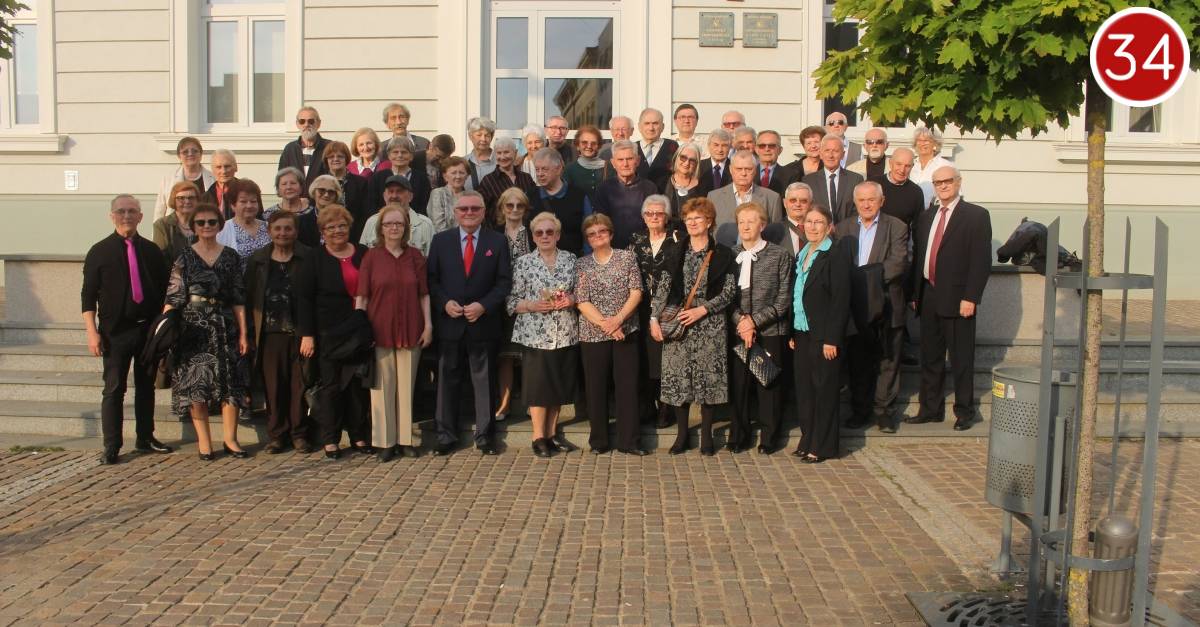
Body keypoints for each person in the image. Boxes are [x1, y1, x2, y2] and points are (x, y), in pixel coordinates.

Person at [82, 195, 172, 465]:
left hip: (147, 331)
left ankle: (145, 437)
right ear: (112, 216)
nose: (127, 216)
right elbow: (88, 295)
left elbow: (165, 290)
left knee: (146, 387)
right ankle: (112, 445)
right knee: (113, 389)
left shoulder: (152, 251)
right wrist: (91, 332)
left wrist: (163, 326)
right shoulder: (99, 251)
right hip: (115, 333)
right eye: (121, 211)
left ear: (140, 217)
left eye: (132, 211)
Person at [905, 165, 991, 431]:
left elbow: (980, 261)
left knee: (961, 358)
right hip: (928, 294)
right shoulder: (926, 217)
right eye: (937, 182)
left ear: (958, 182)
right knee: (930, 357)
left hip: (958, 298)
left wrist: (971, 297)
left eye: (947, 181)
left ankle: (965, 411)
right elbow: (920, 256)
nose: (942, 186)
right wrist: (915, 293)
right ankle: (930, 409)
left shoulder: (976, 216)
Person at [426, 191, 512, 455]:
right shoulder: (440, 241)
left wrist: (483, 305)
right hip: (450, 323)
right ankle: (445, 436)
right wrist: (444, 303)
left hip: (483, 323)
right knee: (447, 381)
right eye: (463, 209)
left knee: (484, 382)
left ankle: (485, 436)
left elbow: (504, 282)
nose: (469, 213)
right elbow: (431, 280)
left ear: (484, 212)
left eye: (475, 208)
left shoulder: (497, 241)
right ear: (455, 213)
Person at [164, 202, 250, 461]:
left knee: (230, 384)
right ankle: (204, 442)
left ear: (219, 225)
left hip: (225, 325)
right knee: (196, 385)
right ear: (193, 226)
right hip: (192, 327)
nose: (206, 226)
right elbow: (173, 297)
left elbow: (239, 298)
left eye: (212, 221)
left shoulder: (231, 256)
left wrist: (244, 333)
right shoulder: (184, 257)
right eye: (200, 222)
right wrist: (164, 330)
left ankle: (231, 439)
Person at [652, 198, 736, 456]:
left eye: (698, 218)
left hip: (710, 325)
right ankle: (682, 436)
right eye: (688, 218)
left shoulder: (723, 254)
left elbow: (729, 292)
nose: (692, 222)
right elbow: (662, 288)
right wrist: (653, 318)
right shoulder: (674, 251)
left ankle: (707, 437)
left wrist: (703, 309)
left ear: (709, 222)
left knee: (708, 380)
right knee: (679, 381)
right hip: (679, 323)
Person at [356, 204, 433, 462]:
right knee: (382, 388)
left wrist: (428, 326)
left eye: (399, 223)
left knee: (406, 388)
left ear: (406, 227)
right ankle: (384, 442)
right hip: (379, 329)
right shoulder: (371, 257)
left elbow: (424, 294)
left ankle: (405, 440)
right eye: (389, 224)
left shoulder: (415, 256)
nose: (394, 228)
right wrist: (361, 330)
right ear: (381, 228)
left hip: (411, 328)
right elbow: (362, 297)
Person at [295, 205, 373, 459]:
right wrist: (307, 334)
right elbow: (304, 299)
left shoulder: (364, 253)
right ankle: (331, 439)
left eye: (342, 225)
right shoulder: (314, 258)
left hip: (359, 329)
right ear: (322, 231)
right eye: (331, 227)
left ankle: (359, 435)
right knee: (331, 387)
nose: (337, 231)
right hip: (328, 332)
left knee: (357, 386)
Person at [835, 181, 909, 433]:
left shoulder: (897, 226)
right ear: (855, 202)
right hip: (855, 307)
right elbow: (840, 263)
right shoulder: (843, 228)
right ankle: (860, 410)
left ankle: (884, 412)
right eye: (862, 200)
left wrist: (861, 280)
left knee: (888, 360)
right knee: (858, 361)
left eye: (871, 199)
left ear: (881, 201)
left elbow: (897, 263)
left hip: (888, 304)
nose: (866, 204)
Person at [507, 211, 578, 457]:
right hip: (535, 334)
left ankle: (551, 434)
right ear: (533, 236)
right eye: (539, 232)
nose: (545, 236)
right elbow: (511, 300)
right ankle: (538, 437)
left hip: (565, 332)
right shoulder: (523, 263)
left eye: (550, 232)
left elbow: (580, 292)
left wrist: (571, 299)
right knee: (538, 387)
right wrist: (531, 305)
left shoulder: (571, 259)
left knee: (558, 385)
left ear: (558, 235)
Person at [576, 213, 647, 455]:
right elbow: (582, 301)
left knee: (628, 387)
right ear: (587, 239)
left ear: (611, 233)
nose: (597, 236)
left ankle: (630, 441)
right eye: (592, 234)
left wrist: (618, 320)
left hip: (625, 330)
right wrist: (607, 325)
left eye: (602, 231)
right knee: (596, 388)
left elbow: (636, 292)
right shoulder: (582, 264)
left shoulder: (627, 257)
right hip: (593, 334)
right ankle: (599, 441)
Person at [244, 211, 313, 454]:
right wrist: (249, 334)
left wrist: (310, 333)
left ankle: (299, 434)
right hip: (269, 334)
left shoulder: (308, 257)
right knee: (273, 387)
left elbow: (314, 297)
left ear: (296, 231)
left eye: (288, 228)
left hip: (300, 332)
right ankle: (276, 435)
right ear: (269, 231)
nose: (283, 233)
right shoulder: (258, 260)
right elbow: (249, 297)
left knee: (299, 386)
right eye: (278, 228)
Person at [728, 202, 793, 454]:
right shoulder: (730, 255)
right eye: (741, 222)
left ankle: (769, 437)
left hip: (771, 330)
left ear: (762, 225)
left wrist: (754, 322)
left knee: (768, 386)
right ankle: (739, 435)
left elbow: (783, 299)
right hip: (738, 331)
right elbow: (726, 297)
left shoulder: (779, 255)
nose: (745, 226)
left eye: (751, 221)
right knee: (739, 385)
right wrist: (741, 321)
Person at [790, 203, 851, 463]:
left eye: (818, 222)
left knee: (824, 391)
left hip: (824, 335)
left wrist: (832, 339)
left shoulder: (835, 254)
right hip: (802, 332)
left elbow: (840, 300)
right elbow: (796, 294)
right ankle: (807, 439)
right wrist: (793, 331)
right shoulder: (803, 253)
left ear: (829, 227)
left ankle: (822, 446)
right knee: (805, 391)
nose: (813, 227)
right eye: (809, 222)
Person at [629, 195, 685, 429]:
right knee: (645, 358)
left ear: (667, 216)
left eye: (659, 213)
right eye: (649, 213)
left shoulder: (678, 239)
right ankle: (647, 406)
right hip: (641, 307)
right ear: (643, 217)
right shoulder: (635, 240)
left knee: (665, 359)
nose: (654, 217)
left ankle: (666, 407)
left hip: (669, 308)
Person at [493, 187, 534, 425]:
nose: (515, 209)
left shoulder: (534, 232)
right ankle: (505, 403)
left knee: (529, 355)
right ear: (502, 208)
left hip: (529, 301)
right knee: (505, 356)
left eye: (520, 205)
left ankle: (530, 401)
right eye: (510, 205)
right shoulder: (493, 234)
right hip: (501, 301)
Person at [593, 140, 657, 249]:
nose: (625, 164)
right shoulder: (604, 189)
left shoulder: (649, 188)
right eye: (620, 160)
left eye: (629, 159)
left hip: (643, 248)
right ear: (613, 163)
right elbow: (601, 224)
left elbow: (654, 222)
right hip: (612, 249)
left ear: (637, 161)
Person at [708, 151, 783, 244]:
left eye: (748, 169)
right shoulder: (714, 197)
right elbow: (709, 233)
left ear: (755, 170)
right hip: (724, 251)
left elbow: (776, 235)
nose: (743, 173)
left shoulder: (772, 198)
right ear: (730, 170)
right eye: (739, 169)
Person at [531, 148, 591, 256]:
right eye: (537, 169)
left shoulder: (578, 196)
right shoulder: (530, 196)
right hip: (537, 264)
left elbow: (589, 230)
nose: (540, 174)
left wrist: (587, 260)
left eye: (544, 169)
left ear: (558, 169)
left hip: (574, 260)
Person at [359, 175, 434, 256]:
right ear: (384, 196)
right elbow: (363, 257)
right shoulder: (371, 222)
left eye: (399, 191)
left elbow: (432, 260)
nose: (394, 196)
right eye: (390, 191)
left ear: (410, 196)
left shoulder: (426, 225)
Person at [802, 135, 863, 224]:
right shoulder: (808, 181)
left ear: (842, 155)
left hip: (848, 230)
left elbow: (858, 210)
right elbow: (807, 210)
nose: (830, 155)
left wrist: (844, 228)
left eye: (835, 151)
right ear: (821, 154)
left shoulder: (855, 180)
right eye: (827, 151)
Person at [368, 136, 431, 217]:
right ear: (389, 156)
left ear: (411, 156)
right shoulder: (377, 178)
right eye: (395, 152)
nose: (400, 155)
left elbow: (424, 205)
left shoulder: (422, 178)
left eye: (404, 152)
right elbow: (372, 206)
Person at [154, 136, 214, 221]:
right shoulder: (168, 180)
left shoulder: (213, 178)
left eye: (195, 151)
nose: (190, 154)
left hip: (204, 225)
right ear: (179, 156)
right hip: (175, 227)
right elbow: (160, 210)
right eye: (185, 152)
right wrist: (158, 229)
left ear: (201, 154)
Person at [216, 178, 270, 269]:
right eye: (243, 201)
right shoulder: (222, 230)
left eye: (253, 201)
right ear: (233, 205)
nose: (249, 205)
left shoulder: (268, 227)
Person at [476, 138, 537, 217]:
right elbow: (481, 211)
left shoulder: (526, 178)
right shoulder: (488, 181)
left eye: (506, 152)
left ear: (515, 153)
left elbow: (534, 204)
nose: (502, 157)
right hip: (499, 225)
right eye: (499, 153)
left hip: (525, 224)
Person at [323, 140, 370, 241]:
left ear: (346, 158)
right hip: (326, 235)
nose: (335, 159)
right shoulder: (320, 183)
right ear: (326, 160)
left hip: (354, 235)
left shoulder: (360, 183)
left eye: (340, 156)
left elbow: (365, 213)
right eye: (331, 157)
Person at [277, 106, 330, 188]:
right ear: (297, 124)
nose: (306, 124)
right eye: (302, 121)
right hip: (296, 196)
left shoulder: (329, 147)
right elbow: (281, 179)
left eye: (311, 121)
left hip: (321, 195)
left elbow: (337, 174)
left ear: (319, 124)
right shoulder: (290, 149)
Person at [876, 147, 925, 231]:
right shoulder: (873, 184)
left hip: (900, 238)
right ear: (890, 163)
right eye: (898, 164)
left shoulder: (916, 192)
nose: (902, 170)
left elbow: (918, 227)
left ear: (912, 167)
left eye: (907, 166)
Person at [153, 181, 200, 265]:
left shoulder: (205, 223)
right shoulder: (162, 225)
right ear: (173, 200)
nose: (187, 201)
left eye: (191, 198)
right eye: (181, 198)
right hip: (171, 272)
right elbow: (160, 257)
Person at [635, 107, 679, 192]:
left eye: (655, 123)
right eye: (647, 123)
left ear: (662, 127)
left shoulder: (673, 146)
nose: (651, 128)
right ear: (639, 127)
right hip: (637, 197)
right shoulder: (632, 148)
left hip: (665, 197)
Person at [911, 126, 954, 208]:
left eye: (926, 140)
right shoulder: (911, 165)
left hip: (935, 211)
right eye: (919, 140)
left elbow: (955, 194)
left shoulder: (945, 165)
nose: (922, 144)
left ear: (935, 143)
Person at [427, 156, 472, 233]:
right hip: (444, 238)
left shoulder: (471, 196)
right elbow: (438, 226)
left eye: (461, 173)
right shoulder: (438, 194)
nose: (458, 176)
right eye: (453, 173)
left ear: (467, 176)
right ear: (445, 176)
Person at [563, 125, 610, 197]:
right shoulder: (570, 169)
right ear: (578, 146)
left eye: (593, 143)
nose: (589, 146)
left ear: (599, 146)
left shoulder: (609, 168)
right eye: (584, 142)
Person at [768, 182, 813, 256]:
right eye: (793, 200)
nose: (798, 204)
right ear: (784, 203)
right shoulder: (771, 232)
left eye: (803, 201)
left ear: (811, 204)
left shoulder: (820, 230)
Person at [299, 174, 342, 248]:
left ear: (336, 196)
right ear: (314, 192)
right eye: (321, 190)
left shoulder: (343, 221)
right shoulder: (301, 221)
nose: (326, 195)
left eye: (331, 191)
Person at [663, 142, 705, 216]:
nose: (686, 163)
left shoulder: (703, 187)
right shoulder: (662, 183)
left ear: (696, 164)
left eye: (692, 160)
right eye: (683, 158)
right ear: (676, 158)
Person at [754, 130, 794, 197]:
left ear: (780, 150)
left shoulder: (791, 176)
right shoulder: (747, 174)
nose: (767, 149)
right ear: (756, 150)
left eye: (772, 146)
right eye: (762, 146)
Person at [202, 149, 239, 218]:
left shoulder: (248, 193)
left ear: (236, 167)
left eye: (227, 166)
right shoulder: (205, 199)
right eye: (219, 167)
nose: (223, 171)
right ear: (212, 170)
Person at [464, 117, 497, 191]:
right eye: (479, 135)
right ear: (470, 136)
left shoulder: (500, 162)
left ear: (491, 137)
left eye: (487, 135)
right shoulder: (463, 162)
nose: (483, 139)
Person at [697, 129, 733, 195]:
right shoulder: (698, 167)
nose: (720, 150)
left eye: (724, 145)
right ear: (709, 146)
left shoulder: (735, 168)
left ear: (729, 147)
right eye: (716, 145)